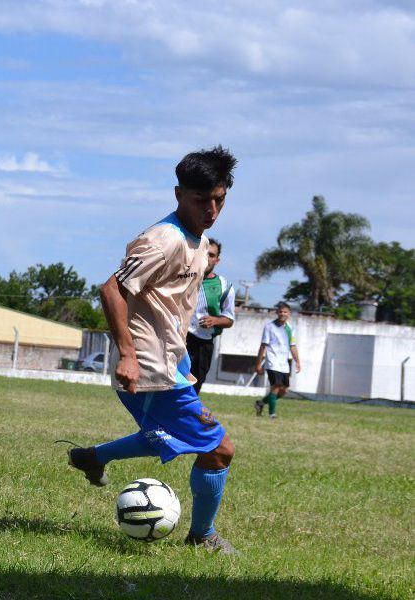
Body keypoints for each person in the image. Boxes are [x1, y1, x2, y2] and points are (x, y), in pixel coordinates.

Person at [66, 146, 239, 554]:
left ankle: (93, 457)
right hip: (147, 368)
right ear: (179, 194)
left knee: (165, 437)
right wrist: (126, 353)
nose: (211, 210)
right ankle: (203, 536)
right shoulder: (163, 241)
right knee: (218, 449)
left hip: (170, 364)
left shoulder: (200, 240)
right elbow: (112, 289)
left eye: (219, 199)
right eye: (202, 201)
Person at [185, 239, 236, 394]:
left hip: (203, 344)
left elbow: (229, 319)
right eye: (205, 253)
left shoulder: (224, 286)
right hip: (179, 338)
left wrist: (215, 320)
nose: (207, 258)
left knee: (194, 389)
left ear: (217, 260)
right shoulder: (182, 276)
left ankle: (186, 416)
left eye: (212, 255)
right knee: (171, 384)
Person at [254, 302, 301, 418]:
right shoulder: (269, 327)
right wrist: (258, 364)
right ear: (277, 313)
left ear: (289, 314)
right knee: (275, 387)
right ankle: (272, 415)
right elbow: (263, 345)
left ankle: (261, 403)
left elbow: (292, 346)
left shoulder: (290, 328)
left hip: (284, 364)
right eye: (280, 311)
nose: (282, 314)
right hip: (272, 362)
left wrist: (297, 361)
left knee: (284, 390)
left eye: (285, 312)